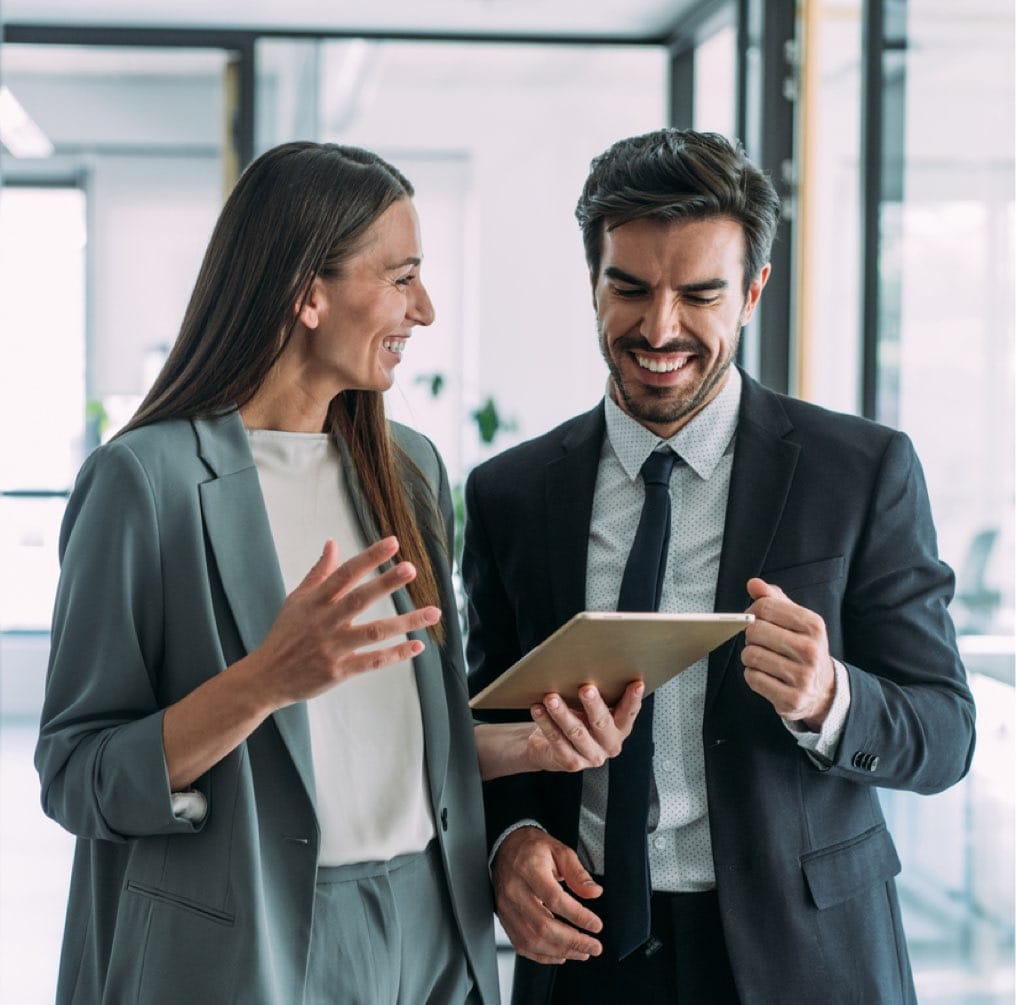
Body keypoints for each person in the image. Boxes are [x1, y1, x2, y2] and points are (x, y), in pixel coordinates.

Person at [34, 141, 644, 1005]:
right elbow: (77, 774)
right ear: (306, 293)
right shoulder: (145, 482)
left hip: (428, 931)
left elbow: (389, 742)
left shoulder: (409, 469)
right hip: (247, 945)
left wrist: (528, 745)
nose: (424, 309)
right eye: (401, 277)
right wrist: (265, 681)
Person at [463, 128, 976, 1005]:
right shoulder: (511, 492)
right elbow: (483, 721)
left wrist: (830, 697)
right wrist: (509, 840)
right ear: (592, 281)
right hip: (586, 957)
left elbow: (946, 732)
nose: (659, 329)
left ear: (752, 292)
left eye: (699, 294)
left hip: (803, 957)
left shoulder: (860, 471)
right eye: (629, 289)